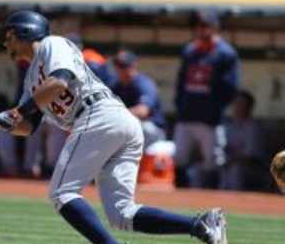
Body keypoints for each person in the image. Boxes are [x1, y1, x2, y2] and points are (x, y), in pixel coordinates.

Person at [0, 10, 227, 244]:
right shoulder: (30, 82)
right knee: (122, 214)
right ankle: (200, 225)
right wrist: (0, 122)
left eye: (9, 36)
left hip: (98, 115)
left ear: (26, 31)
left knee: (62, 192)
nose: (6, 44)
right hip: (112, 123)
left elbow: (60, 80)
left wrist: (17, 112)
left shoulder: (52, 45)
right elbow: (29, 127)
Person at [173, 10, 240, 188]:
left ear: (215, 27)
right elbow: (180, 83)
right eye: (198, 26)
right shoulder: (190, 51)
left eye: (205, 25)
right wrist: (181, 106)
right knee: (179, 157)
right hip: (186, 116)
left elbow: (230, 88)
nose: (201, 29)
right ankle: (180, 200)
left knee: (213, 160)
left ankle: (212, 201)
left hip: (210, 119)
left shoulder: (226, 53)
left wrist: (214, 108)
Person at [111, 50, 166, 148]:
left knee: (134, 127)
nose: (122, 70)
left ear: (133, 65)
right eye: (119, 66)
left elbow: (142, 111)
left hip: (153, 130)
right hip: (129, 126)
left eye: (125, 66)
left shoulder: (143, 83)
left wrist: (116, 114)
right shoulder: (116, 86)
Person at [219, 90, 266, 191]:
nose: (237, 107)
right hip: (227, 163)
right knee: (197, 170)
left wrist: (229, 161)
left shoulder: (253, 128)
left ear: (249, 108)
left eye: (241, 104)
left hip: (251, 167)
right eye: (236, 104)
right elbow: (220, 148)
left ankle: (235, 203)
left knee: (235, 170)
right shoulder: (227, 126)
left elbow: (249, 157)